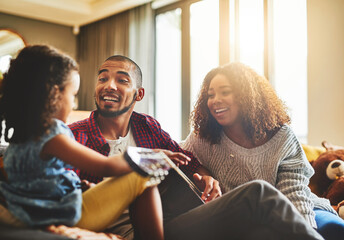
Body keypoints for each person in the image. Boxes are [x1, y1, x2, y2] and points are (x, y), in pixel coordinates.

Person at [69, 55, 324, 240]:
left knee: (260, 215)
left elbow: (188, 161)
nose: (109, 85)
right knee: (258, 193)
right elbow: (63, 195)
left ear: (139, 94)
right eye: (102, 78)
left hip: (172, 223)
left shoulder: (148, 127)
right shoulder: (73, 136)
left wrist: (207, 176)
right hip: (140, 231)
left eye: (121, 80)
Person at [0, 45, 164, 240]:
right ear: (54, 94)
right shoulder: (52, 134)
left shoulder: (20, 135)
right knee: (144, 176)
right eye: (73, 95)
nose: (74, 104)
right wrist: (151, 157)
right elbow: (106, 167)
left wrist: (74, 184)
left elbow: (37, 180)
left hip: (31, 213)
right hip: (64, 216)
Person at [181, 62, 344, 240]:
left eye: (225, 92)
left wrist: (304, 232)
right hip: (242, 220)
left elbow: (294, 195)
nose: (215, 100)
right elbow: (176, 156)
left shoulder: (282, 137)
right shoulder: (203, 137)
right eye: (210, 95)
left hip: (298, 209)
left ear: (247, 96)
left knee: (333, 227)